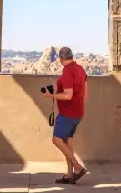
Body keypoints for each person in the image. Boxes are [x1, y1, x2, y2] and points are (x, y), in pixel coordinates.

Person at [42, 46, 88, 184]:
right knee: (68, 141)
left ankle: (78, 168)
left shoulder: (68, 71)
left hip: (68, 113)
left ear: (60, 59)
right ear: (72, 57)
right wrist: (78, 105)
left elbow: (68, 95)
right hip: (78, 111)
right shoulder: (80, 69)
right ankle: (69, 174)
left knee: (56, 140)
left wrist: (51, 96)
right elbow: (86, 93)